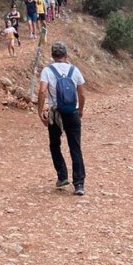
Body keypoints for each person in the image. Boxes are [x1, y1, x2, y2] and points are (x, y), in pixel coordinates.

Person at [37, 41, 86, 196]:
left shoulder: (47, 70)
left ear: (53, 55)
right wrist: (80, 110)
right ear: (66, 55)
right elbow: (82, 93)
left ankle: (62, 176)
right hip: (72, 112)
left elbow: (42, 91)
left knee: (55, 145)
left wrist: (40, 112)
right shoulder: (74, 70)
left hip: (55, 112)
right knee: (75, 147)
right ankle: (79, 184)